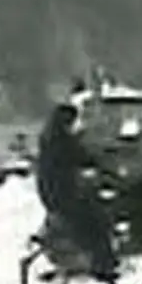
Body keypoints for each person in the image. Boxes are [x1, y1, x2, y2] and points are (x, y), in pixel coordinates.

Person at [32, 97, 115, 274]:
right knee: (96, 220)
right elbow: (82, 157)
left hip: (48, 191)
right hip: (63, 192)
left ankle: (82, 255)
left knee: (78, 219)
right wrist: (101, 164)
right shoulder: (64, 140)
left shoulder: (48, 137)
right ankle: (102, 263)